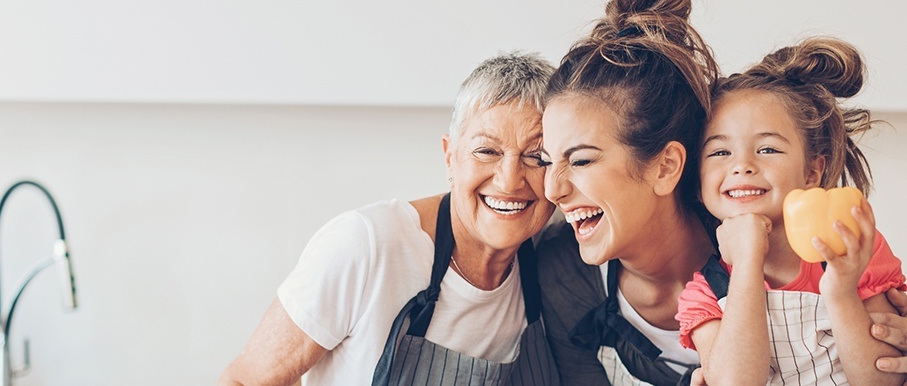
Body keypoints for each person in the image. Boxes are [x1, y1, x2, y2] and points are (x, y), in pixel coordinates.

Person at [219, 53, 561, 386]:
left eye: (537, 157)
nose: (510, 180)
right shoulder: (367, 246)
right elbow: (244, 380)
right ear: (450, 158)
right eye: (487, 151)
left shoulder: (556, 262)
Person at [675, 37, 906, 385]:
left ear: (813, 172)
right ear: (697, 180)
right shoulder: (706, 291)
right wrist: (748, 262)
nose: (742, 165)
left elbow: (884, 380)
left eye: (767, 149)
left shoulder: (854, 248)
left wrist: (842, 293)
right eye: (720, 153)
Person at [533, 0, 720, 384]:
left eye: (581, 161)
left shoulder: (769, 264)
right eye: (547, 160)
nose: (553, 189)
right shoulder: (563, 277)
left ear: (665, 167)